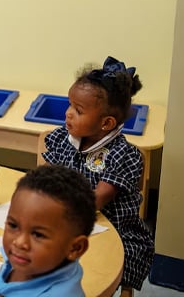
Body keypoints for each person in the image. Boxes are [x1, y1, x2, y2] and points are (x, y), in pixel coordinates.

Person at [41, 56, 154, 297]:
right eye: (70, 105)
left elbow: (97, 199)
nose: (68, 114)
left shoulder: (124, 154)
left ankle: (124, 291)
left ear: (106, 123)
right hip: (70, 215)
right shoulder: (63, 138)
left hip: (115, 229)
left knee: (112, 259)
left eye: (78, 110)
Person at [0, 164, 96, 296]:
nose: (19, 242)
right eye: (13, 226)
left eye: (38, 235)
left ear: (75, 248)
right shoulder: (26, 261)